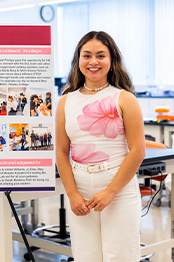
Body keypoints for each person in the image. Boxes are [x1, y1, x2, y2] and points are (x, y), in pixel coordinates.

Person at [56, 31, 145, 262]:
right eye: (86, 55)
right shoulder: (66, 101)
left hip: (118, 186)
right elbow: (61, 151)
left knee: (120, 256)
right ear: (78, 60)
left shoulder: (124, 99)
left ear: (112, 60)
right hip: (80, 186)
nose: (93, 61)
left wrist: (111, 192)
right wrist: (72, 194)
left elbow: (137, 151)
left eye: (100, 55)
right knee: (86, 256)